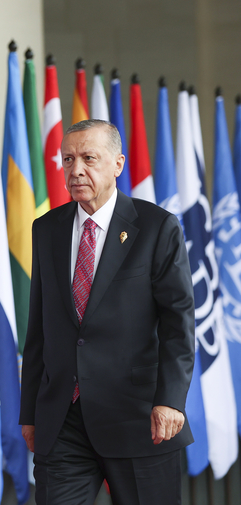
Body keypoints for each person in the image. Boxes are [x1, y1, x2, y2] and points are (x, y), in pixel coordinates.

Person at [19, 119, 195, 505]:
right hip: (63, 420)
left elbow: (178, 322)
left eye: (88, 158)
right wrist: (30, 412)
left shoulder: (156, 227)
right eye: (68, 159)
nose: (76, 169)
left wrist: (171, 399)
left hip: (139, 418)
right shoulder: (46, 229)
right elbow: (40, 326)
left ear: (118, 164)